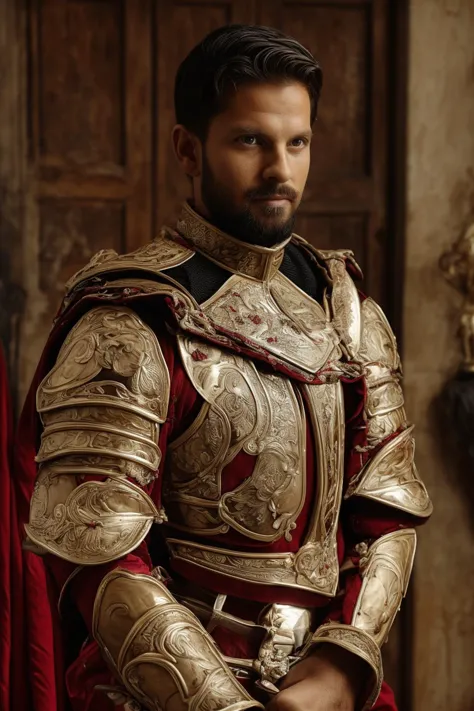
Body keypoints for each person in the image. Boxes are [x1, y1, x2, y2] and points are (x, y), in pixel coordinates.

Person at [19, 24, 432, 711]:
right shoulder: (134, 317)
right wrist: (222, 704)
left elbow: (384, 508)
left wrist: (340, 664)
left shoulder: (345, 307)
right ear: (189, 148)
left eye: (296, 143)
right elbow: (97, 548)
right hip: (164, 689)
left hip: (326, 684)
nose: (280, 169)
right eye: (250, 141)